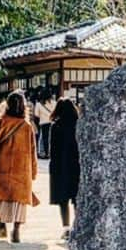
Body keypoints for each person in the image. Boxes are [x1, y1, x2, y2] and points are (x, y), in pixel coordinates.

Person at [0, 91, 38, 243]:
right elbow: (32, 151)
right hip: (22, 168)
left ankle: (1, 224)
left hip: (1, 166)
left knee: (1, 197)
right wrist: (33, 171)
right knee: (19, 200)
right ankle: (16, 230)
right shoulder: (26, 126)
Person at [48, 98, 80, 239]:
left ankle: (66, 229)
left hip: (60, 167)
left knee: (63, 200)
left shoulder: (56, 126)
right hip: (77, 166)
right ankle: (78, 226)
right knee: (77, 198)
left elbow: (52, 150)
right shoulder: (79, 125)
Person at [33, 92, 53, 159]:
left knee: (44, 139)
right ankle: (51, 153)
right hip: (52, 123)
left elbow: (36, 114)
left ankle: (45, 153)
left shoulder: (38, 104)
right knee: (52, 138)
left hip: (43, 123)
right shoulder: (54, 102)